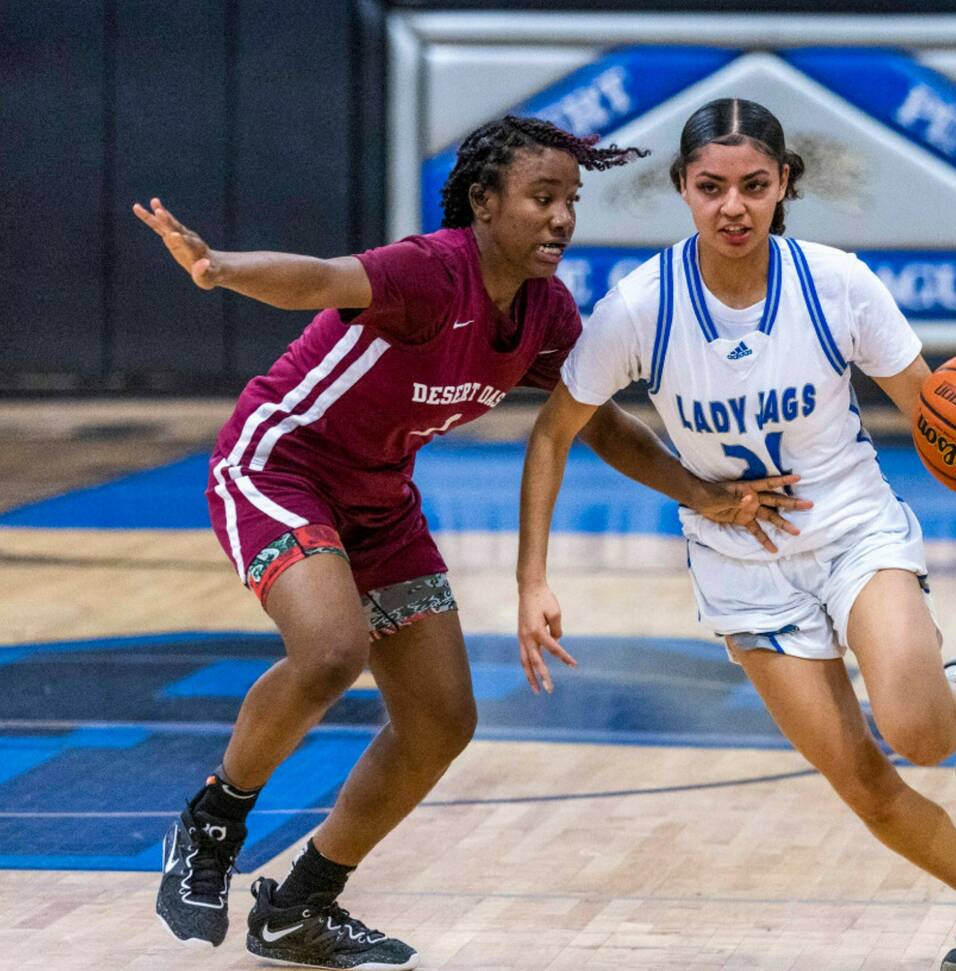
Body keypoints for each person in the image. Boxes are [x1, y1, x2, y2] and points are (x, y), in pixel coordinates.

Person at [134, 114, 806, 970]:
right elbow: (318, 279)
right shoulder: (430, 269)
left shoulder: (545, 311)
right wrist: (219, 267)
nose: (562, 218)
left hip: (380, 499)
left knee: (442, 719)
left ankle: (301, 905)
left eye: (571, 199)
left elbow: (598, 425)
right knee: (332, 648)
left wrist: (704, 495)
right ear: (485, 202)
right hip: (280, 466)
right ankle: (212, 822)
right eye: (541, 197)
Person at [516, 99, 956, 971]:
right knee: (866, 785)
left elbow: (935, 411)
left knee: (919, 730)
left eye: (754, 186)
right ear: (682, 189)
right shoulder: (640, 308)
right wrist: (532, 578)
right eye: (712, 187)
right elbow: (554, 430)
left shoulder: (837, 283)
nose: (733, 206)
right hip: (742, 567)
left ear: (784, 187)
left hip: (851, 529)